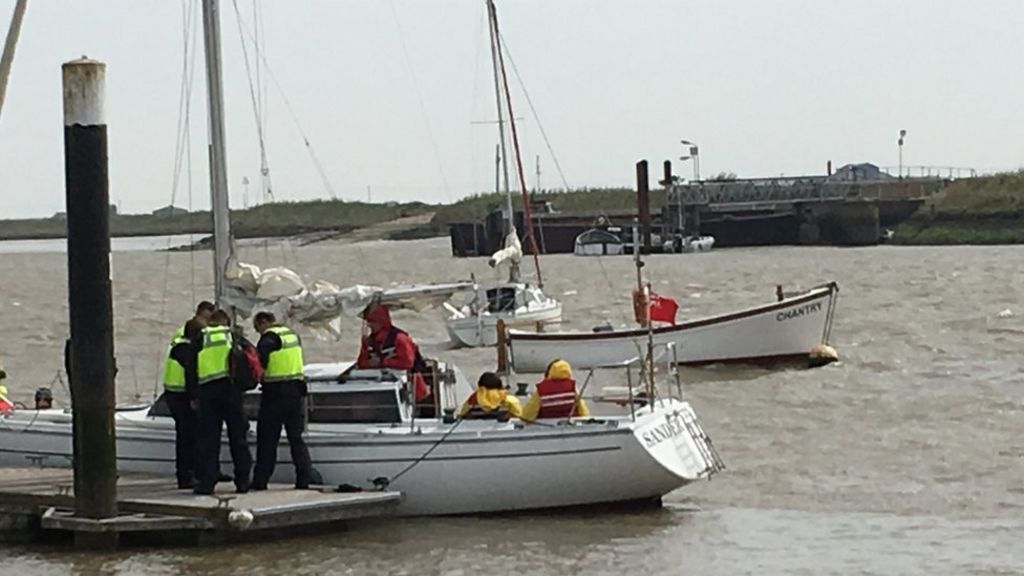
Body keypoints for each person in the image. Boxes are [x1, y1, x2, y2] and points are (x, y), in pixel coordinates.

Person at [188, 309, 252, 495]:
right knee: (238, 438)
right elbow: (250, 358)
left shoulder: (201, 337)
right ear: (226, 322)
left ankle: (208, 482)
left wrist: (193, 395)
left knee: (209, 440)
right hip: (232, 392)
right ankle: (243, 481)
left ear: (211, 322)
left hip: (208, 392)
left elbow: (191, 368)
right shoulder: (234, 336)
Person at [251, 312, 313, 490]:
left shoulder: (269, 338)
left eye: (258, 328)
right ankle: (304, 478)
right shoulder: (292, 335)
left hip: (275, 393)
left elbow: (258, 364)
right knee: (296, 439)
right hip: (296, 392)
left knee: (268, 440)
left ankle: (260, 480)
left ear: (264, 322)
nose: (259, 333)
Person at [356, 304, 430, 407]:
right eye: (368, 322)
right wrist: (368, 360)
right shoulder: (369, 341)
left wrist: (382, 362)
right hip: (379, 386)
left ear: (381, 321)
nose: (369, 325)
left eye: (372, 321)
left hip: (409, 388)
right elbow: (361, 363)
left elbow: (408, 362)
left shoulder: (400, 339)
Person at [164, 319, 202, 489]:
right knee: (187, 437)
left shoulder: (179, 345)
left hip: (175, 394)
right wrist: (195, 397)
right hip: (181, 396)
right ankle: (185, 476)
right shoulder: (186, 350)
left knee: (189, 436)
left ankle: (192, 473)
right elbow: (191, 375)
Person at [520, 359, 590, 422]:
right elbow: (584, 412)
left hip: (547, 427)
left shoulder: (542, 389)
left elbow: (527, 416)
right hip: (569, 425)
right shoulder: (572, 388)